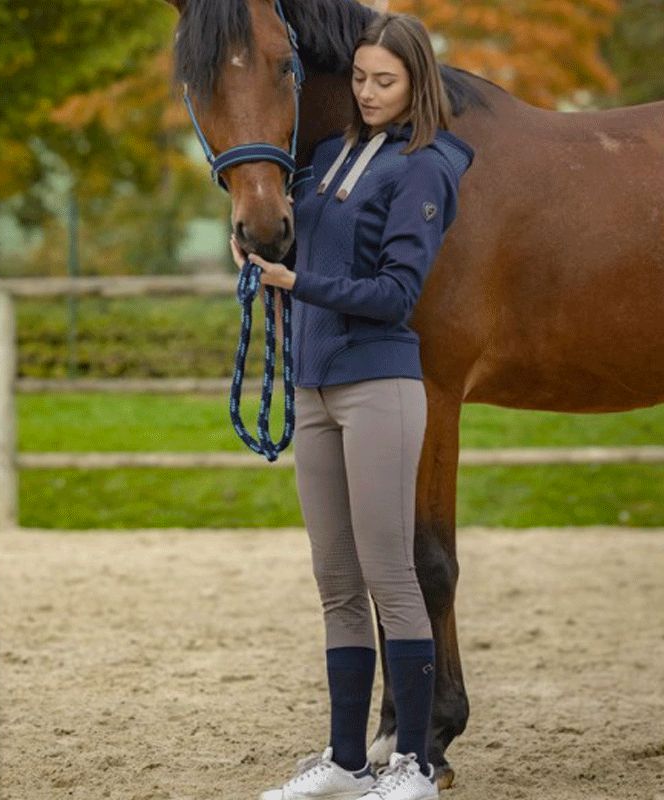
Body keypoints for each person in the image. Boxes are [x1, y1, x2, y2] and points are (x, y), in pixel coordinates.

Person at [230, 13, 474, 800]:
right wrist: (263, 253)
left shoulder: (427, 167)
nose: (367, 94)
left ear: (416, 85)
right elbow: (308, 246)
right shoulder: (331, 157)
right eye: (361, 78)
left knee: (390, 574)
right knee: (336, 580)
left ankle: (413, 762)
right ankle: (344, 759)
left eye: (385, 82)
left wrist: (299, 285)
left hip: (379, 383)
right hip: (316, 387)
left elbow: (397, 294)